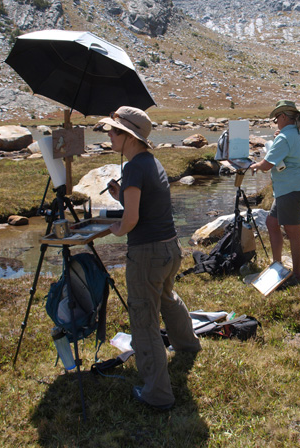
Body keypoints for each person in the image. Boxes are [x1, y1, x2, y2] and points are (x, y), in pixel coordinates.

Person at [99, 106, 201, 411]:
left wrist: (116, 229)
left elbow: (131, 220)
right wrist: (121, 195)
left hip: (148, 253)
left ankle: (157, 393)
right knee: (167, 297)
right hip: (170, 248)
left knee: (144, 319)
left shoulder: (134, 168)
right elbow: (144, 206)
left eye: (114, 131)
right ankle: (188, 346)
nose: (109, 135)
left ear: (129, 136)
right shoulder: (151, 162)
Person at [249, 100, 300, 284]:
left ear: (283, 117)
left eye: (276, 118)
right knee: (272, 222)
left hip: (290, 188)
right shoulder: (297, 134)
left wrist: (255, 166)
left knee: (293, 232)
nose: (276, 122)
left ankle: (297, 275)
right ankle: (276, 265)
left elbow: (267, 164)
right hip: (292, 187)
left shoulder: (284, 137)